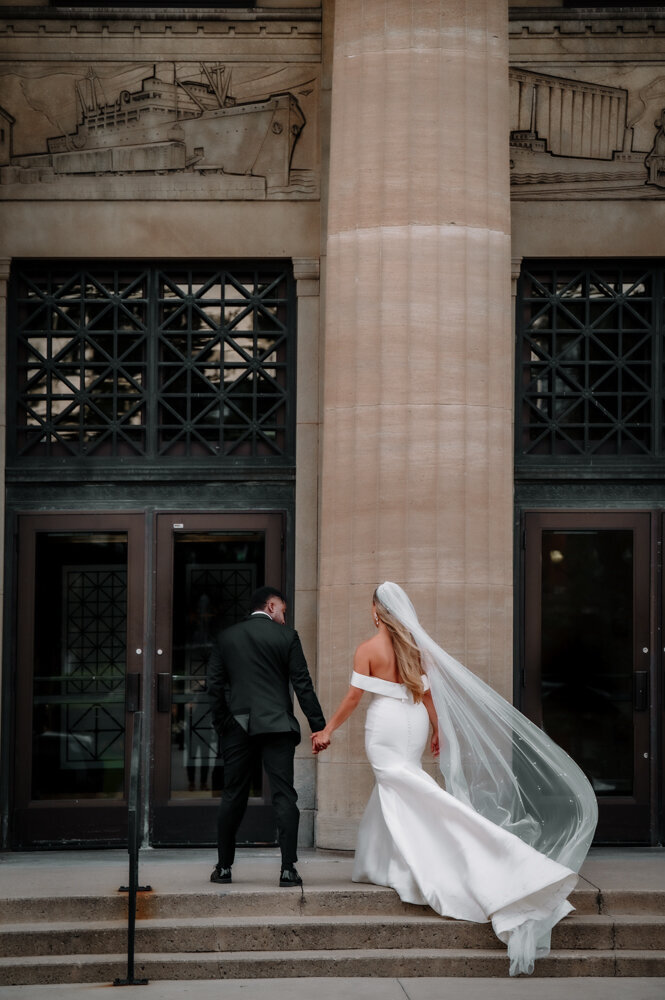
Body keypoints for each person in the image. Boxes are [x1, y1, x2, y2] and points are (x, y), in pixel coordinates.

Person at [311, 582, 597, 976]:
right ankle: (381, 865)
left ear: (377, 611)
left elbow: (353, 699)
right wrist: (437, 729)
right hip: (411, 721)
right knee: (402, 787)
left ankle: (456, 854)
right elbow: (428, 696)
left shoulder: (368, 649)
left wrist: (327, 730)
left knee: (409, 790)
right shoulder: (414, 648)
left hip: (386, 728)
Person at [208, 585, 326, 888]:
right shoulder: (287, 637)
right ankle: (288, 869)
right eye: (283, 611)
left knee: (233, 794)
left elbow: (214, 686)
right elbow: (303, 685)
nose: (285, 619)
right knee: (285, 795)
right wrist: (318, 726)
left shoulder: (226, 637)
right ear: (271, 606)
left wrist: (224, 722)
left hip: (237, 725)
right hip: (277, 726)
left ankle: (223, 868)